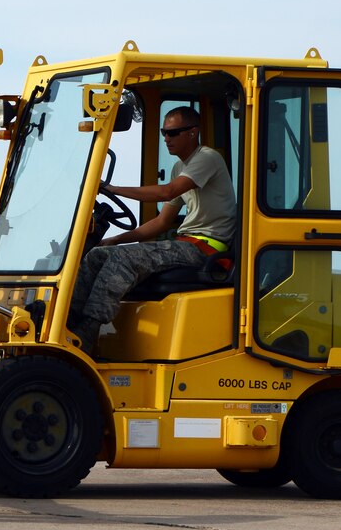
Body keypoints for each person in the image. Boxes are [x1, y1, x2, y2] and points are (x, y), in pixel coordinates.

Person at [69, 106, 236, 351]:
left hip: (206, 248)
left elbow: (167, 191)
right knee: (97, 255)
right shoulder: (180, 169)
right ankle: (70, 322)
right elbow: (161, 222)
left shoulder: (207, 158)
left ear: (192, 132)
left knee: (126, 259)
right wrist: (115, 239)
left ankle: (90, 331)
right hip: (185, 244)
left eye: (173, 133)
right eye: (163, 133)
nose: (166, 138)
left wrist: (112, 189)